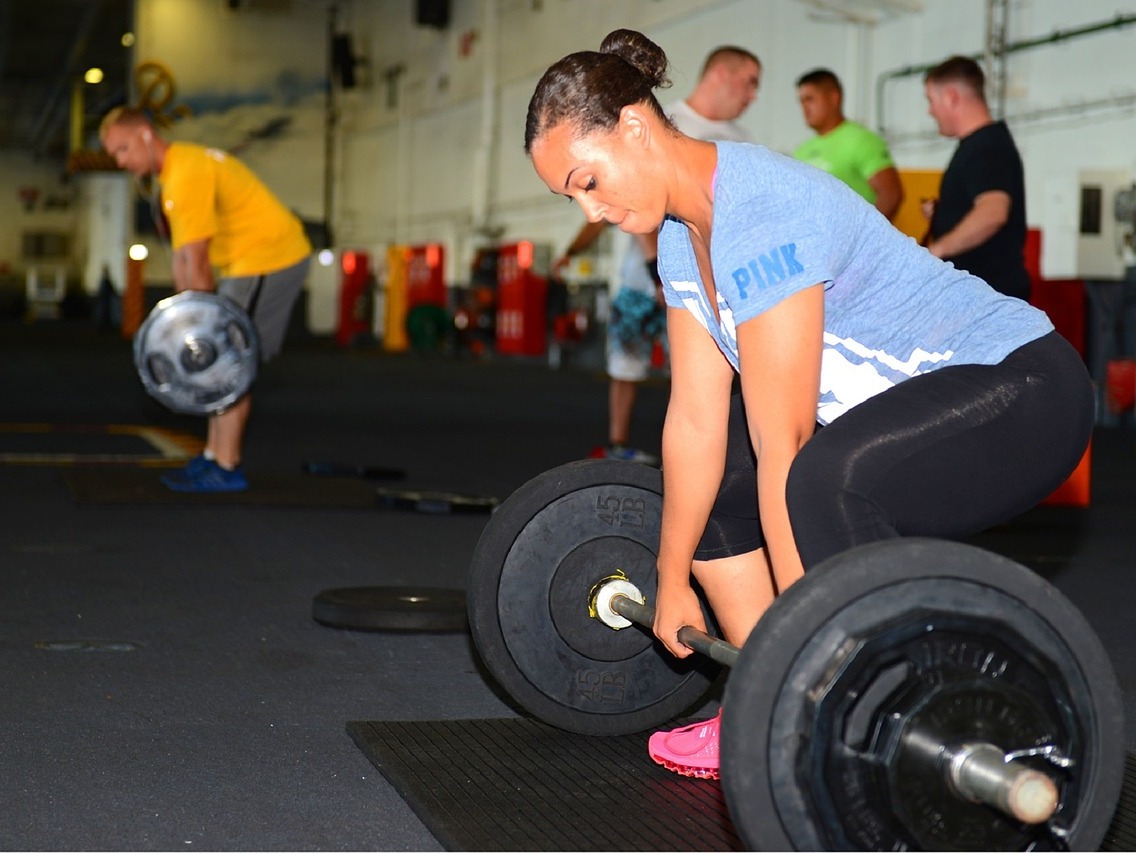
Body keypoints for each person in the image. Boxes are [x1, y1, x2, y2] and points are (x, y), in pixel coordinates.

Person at [525, 29, 1093, 780]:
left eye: (586, 180)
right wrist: (669, 581)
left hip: (1023, 387)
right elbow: (696, 418)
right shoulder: (675, 237)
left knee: (822, 481)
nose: (588, 210)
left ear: (633, 125)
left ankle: (861, 705)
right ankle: (772, 704)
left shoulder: (761, 210)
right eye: (571, 195)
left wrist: (808, 644)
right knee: (723, 495)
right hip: (922, 407)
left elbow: (784, 439)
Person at [552, 46, 761, 463]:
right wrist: (656, 274)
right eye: (750, 81)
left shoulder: (743, 143)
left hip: (708, 281)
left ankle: (702, 460)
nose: (754, 94)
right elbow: (626, 206)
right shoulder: (665, 125)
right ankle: (617, 445)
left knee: (694, 375)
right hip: (643, 278)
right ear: (721, 73)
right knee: (625, 364)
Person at [100, 106, 312, 493]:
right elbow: (183, 259)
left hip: (270, 257)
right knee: (216, 358)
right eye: (115, 154)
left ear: (147, 135)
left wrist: (196, 331)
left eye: (123, 149)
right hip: (245, 262)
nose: (121, 161)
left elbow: (196, 261)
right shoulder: (176, 174)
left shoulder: (185, 174)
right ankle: (214, 456)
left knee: (228, 360)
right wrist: (185, 324)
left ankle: (227, 466)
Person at [922, 56, 1031, 301]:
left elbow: (993, 212)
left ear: (951, 96)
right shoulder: (981, 145)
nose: (930, 111)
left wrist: (937, 251)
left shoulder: (986, 147)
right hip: (982, 294)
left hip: (988, 297)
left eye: (931, 100)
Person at [792, 68, 904, 221]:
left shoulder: (862, 140)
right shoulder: (801, 151)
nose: (804, 108)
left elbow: (891, 194)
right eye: (801, 101)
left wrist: (863, 237)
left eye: (810, 99)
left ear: (834, 98)